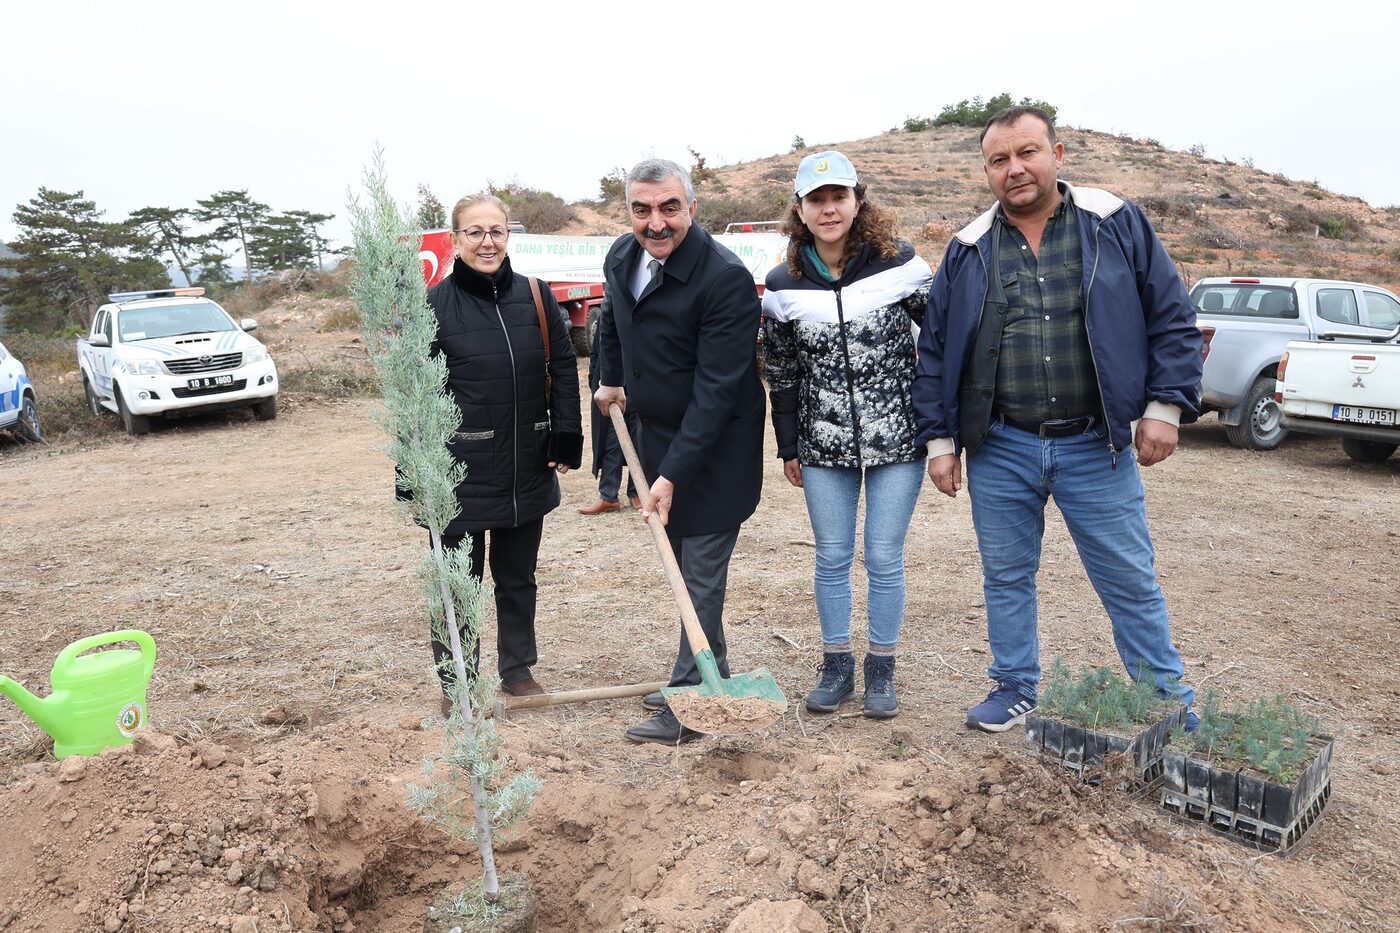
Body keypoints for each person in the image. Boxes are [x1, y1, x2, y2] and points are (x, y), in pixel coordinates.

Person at [911, 106, 1203, 733]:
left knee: (1129, 578)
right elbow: (936, 352)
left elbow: (1171, 315)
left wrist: (1164, 406)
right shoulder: (966, 250)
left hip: (1095, 444)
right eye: (999, 160)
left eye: (1028, 152)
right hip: (1001, 445)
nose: (1015, 169)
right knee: (1007, 576)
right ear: (986, 170)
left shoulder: (1114, 223)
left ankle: (1167, 700)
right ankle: (1015, 686)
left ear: (1057, 154)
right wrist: (941, 441)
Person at [594, 159, 765, 745]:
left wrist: (670, 476)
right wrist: (611, 378)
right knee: (690, 571)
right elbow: (613, 324)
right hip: (658, 435)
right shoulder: (623, 256)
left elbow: (717, 392)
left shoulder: (724, 278)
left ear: (691, 208)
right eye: (642, 209)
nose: (656, 222)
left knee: (697, 575)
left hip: (717, 448)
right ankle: (706, 674)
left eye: (669, 207)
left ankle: (687, 704)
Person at [761, 151, 933, 719]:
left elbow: (940, 343)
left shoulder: (900, 264)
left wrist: (940, 429)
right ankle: (836, 665)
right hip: (821, 444)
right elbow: (782, 371)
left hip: (897, 440)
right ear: (800, 210)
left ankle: (882, 670)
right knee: (832, 556)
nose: (828, 208)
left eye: (838, 196)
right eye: (816, 200)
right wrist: (789, 444)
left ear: (859, 200)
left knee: (883, 557)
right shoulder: (783, 283)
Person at [424, 193, 583, 714]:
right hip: (458, 472)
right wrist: (414, 479)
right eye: (475, 232)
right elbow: (413, 399)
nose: (487, 241)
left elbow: (562, 370)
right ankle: (458, 682)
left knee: (518, 579)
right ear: (455, 240)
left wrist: (564, 437)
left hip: (526, 465)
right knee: (456, 585)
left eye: (496, 231)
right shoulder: (432, 308)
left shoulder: (536, 297)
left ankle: (517, 670)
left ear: (507, 236)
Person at [579, 295, 642, 515]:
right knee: (611, 442)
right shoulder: (613, 305)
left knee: (640, 439)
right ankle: (608, 495)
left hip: (641, 386)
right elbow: (598, 349)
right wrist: (593, 380)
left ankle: (638, 493)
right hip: (611, 386)